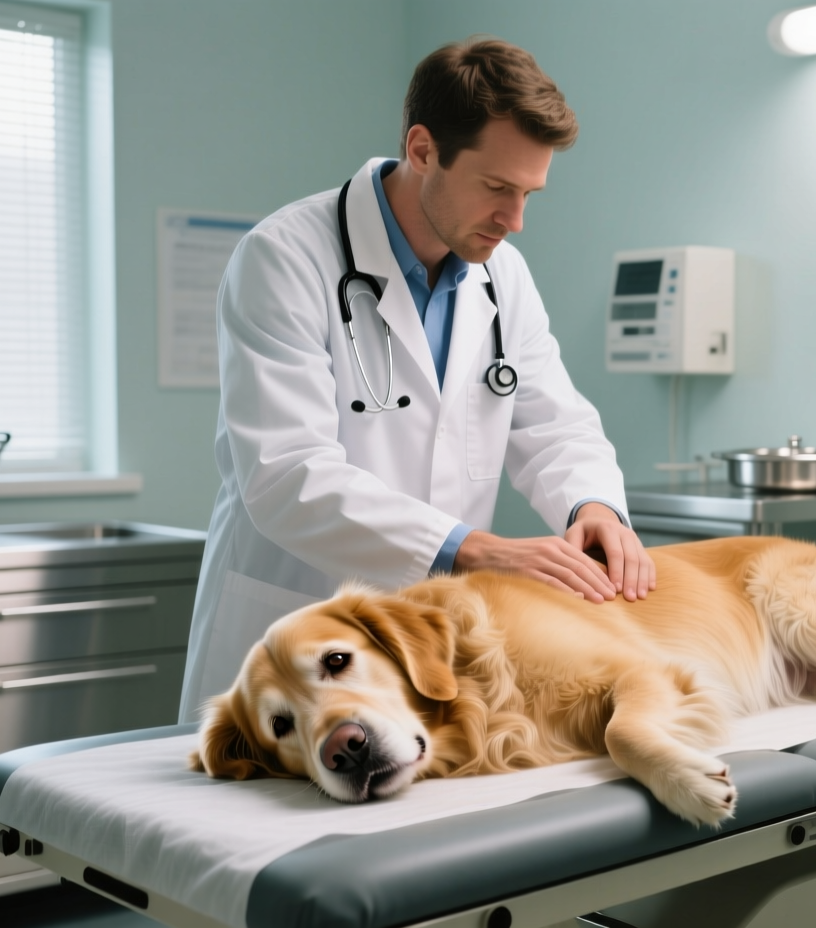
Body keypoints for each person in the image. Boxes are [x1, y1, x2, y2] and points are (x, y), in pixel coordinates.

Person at [179, 38, 654, 721]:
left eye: (528, 194)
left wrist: (593, 508)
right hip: (294, 634)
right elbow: (285, 475)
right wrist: (469, 550)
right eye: (497, 187)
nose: (514, 221)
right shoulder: (284, 258)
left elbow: (555, 424)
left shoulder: (503, 276)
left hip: (422, 642)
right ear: (424, 149)